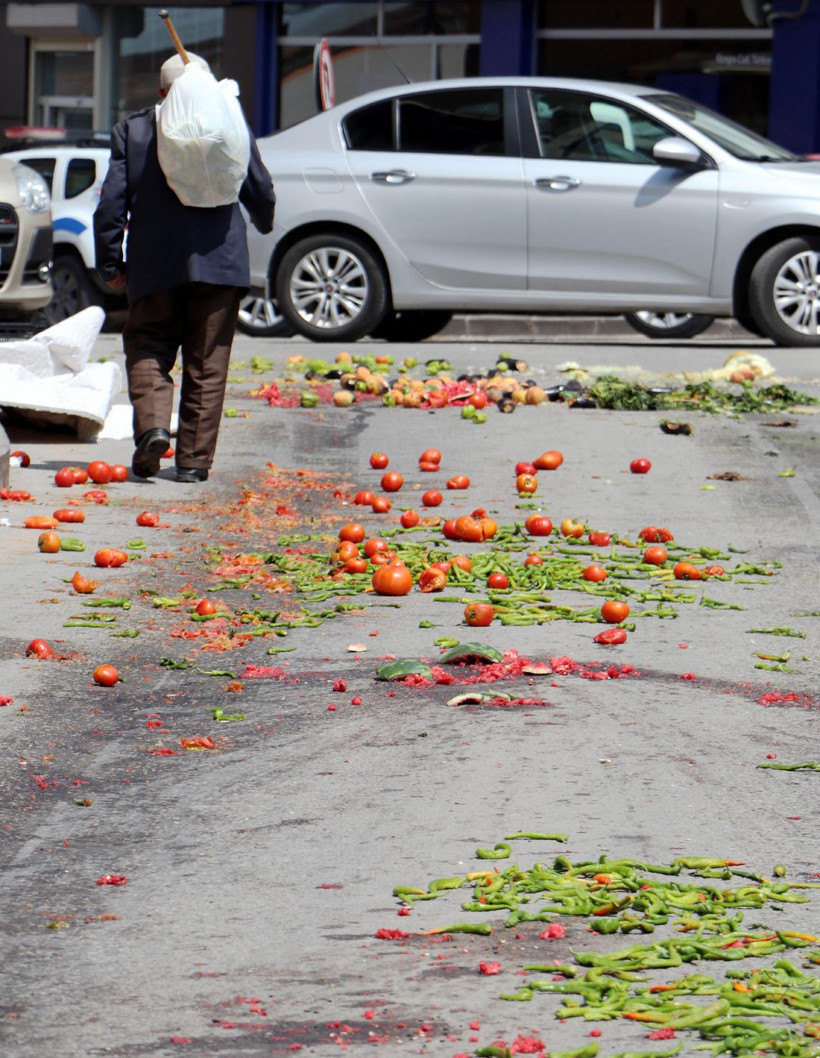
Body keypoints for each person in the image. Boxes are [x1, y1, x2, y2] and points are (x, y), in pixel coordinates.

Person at [93, 52, 275, 482]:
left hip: (154, 263)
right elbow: (258, 185)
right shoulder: (227, 121)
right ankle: (193, 463)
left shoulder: (136, 130)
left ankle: (155, 426)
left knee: (148, 344)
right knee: (207, 361)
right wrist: (264, 220)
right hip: (221, 261)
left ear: (161, 93)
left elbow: (111, 205)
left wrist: (109, 262)